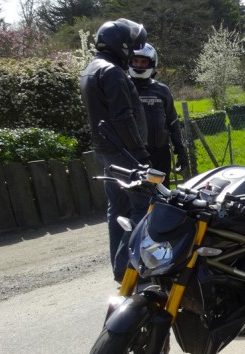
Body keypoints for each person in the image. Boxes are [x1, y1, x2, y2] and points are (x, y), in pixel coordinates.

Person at [80, 18, 149, 281]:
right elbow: (122, 116)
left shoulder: (91, 69)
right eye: (131, 46)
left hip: (107, 151)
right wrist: (140, 152)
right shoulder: (112, 72)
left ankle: (119, 269)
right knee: (142, 205)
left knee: (117, 208)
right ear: (119, 44)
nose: (132, 52)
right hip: (125, 153)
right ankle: (127, 268)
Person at [129, 43, 189, 186]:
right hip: (135, 154)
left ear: (152, 63)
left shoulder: (162, 90)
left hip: (161, 152)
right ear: (129, 62)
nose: (139, 65)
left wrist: (180, 150)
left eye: (143, 62)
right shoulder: (124, 88)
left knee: (163, 193)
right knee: (140, 196)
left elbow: (173, 121)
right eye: (135, 61)